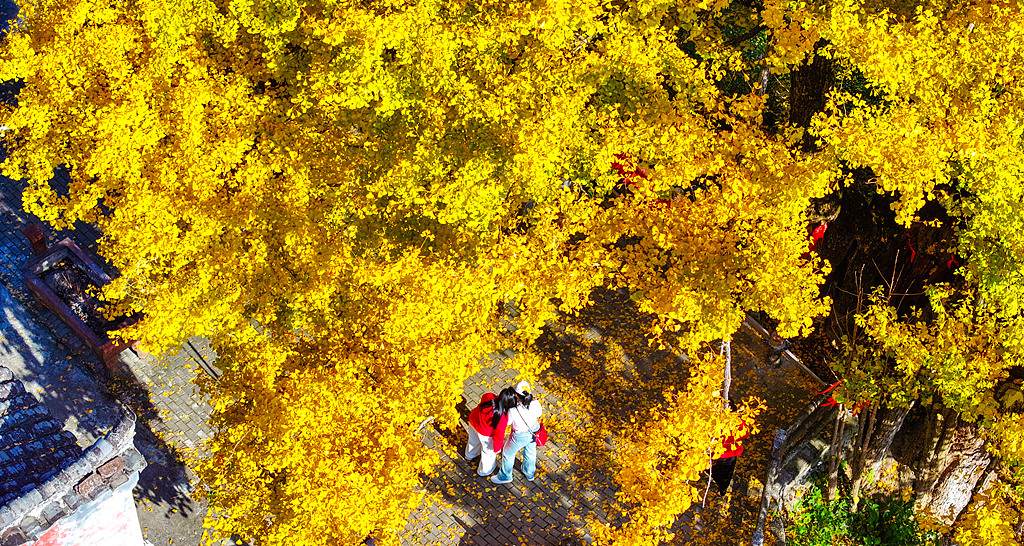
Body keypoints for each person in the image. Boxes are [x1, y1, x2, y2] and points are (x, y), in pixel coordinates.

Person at [490, 380, 542, 484]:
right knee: (530, 452)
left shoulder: (513, 411)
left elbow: (508, 422)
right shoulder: (536, 404)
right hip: (533, 431)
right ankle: (529, 473)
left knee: (508, 454)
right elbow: (539, 414)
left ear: (517, 396)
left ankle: (505, 476)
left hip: (519, 436)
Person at [464, 387, 516, 476]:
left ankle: (469, 455)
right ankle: (484, 471)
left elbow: (485, 396)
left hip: (474, 421)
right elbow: (499, 435)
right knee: (488, 453)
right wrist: (497, 448)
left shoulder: (489, 397)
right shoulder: (502, 418)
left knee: (473, 441)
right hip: (485, 433)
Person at [712, 418, 749, 494]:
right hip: (730, 454)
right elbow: (745, 434)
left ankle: (721, 486)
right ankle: (723, 489)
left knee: (714, 472)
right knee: (726, 474)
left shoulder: (711, 420)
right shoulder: (737, 421)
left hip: (715, 454)